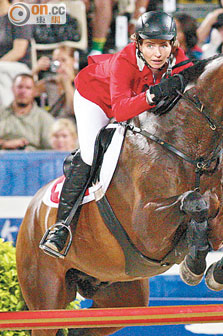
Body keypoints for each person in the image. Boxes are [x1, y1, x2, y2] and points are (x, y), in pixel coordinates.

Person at [41, 11, 192, 258]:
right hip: (96, 99)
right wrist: (153, 94)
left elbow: (194, 74)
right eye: (150, 45)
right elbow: (120, 111)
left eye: (163, 45)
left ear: (172, 44)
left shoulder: (175, 55)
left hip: (133, 100)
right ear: (138, 44)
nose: (157, 53)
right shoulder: (125, 60)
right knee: (91, 153)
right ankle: (61, 227)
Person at [0, 74, 54, 150]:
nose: (23, 91)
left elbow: (52, 149)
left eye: (28, 88)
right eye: (19, 87)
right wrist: (5, 144)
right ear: (12, 89)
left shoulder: (44, 119)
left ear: (34, 91)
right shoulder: (1, 113)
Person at [32, 45, 76, 120]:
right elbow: (26, 92)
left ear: (73, 61)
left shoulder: (81, 82)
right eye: (56, 60)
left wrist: (67, 83)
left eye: (63, 60)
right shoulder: (50, 82)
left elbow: (72, 110)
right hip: (53, 125)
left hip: (72, 126)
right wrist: (36, 69)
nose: (59, 64)